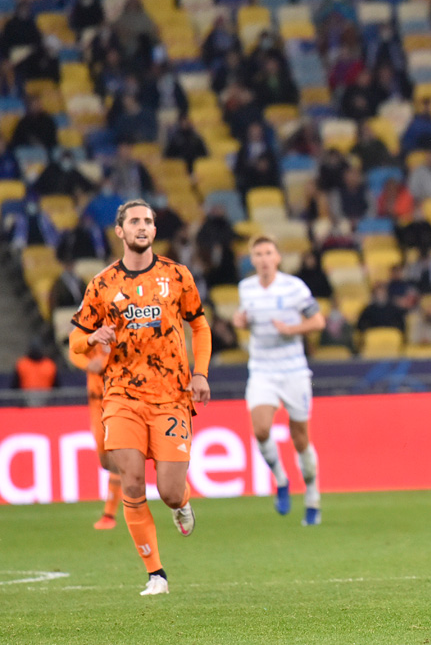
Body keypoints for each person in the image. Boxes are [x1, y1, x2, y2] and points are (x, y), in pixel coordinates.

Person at [68, 199, 212, 596]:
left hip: (171, 397)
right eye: (134, 221)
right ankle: (156, 575)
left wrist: (200, 373)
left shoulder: (176, 275)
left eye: (148, 220)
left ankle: (181, 502)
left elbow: (199, 326)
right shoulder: (102, 284)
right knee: (131, 482)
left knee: (169, 491)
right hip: (121, 396)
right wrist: (92, 339)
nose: (143, 226)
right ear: (120, 231)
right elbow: (75, 338)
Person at [233, 236, 327, 526]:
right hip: (262, 370)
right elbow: (245, 319)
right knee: (261, 429)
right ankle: (281, 479)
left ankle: (312, 495)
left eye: (268, 253)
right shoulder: (246, 288)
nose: (263, 259)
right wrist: (240, 322)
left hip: (294, 371)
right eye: (258, 254)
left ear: (277, 258)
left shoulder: (294, 287)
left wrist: (291, 329)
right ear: (252, 259)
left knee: (301, 439)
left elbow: (318, 321)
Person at [67, 341, 121, 529]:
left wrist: (104, 362)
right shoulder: (89, 328)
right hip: (96, 403)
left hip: (118, 400)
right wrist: (88, 364)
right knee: (105, 460)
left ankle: (109, 514)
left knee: (117, 457)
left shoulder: (121, 326)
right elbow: (74, 350)